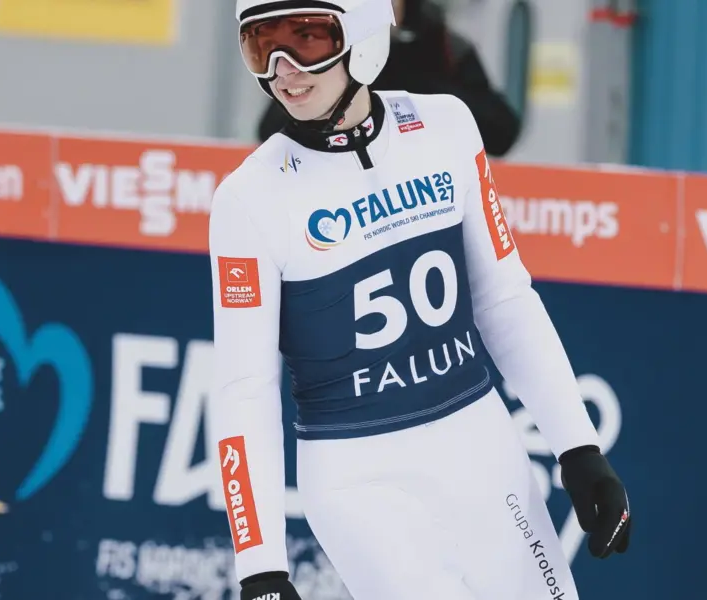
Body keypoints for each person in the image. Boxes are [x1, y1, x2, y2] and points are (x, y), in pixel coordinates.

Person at [209, 1, 632, 598]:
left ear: (361, 33)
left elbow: (505, 300)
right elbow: (244, 389)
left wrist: (579, 447)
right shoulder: (248, 199)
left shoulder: (446, 127)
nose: (283, 69)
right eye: (261, 44)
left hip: (480, 444)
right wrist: (260, 566)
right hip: (356, 476)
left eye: (306, 38)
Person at [252, 0, 523, 156]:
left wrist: (422, 85)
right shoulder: (332, 50)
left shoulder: (445, 48)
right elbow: (270, 130)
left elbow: (501, 132)